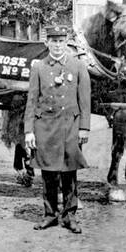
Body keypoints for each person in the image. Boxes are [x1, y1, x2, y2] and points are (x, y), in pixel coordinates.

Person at [24, 25, 90, 234]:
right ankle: (50, 214)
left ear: (66, 42)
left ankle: (70, 216)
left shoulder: (78, 65)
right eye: (53, 41)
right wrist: (29, 131)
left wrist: (84, 128)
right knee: (49, 174)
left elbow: (85, 100)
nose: (58, 45)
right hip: (46, 128)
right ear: (47, 43)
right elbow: (31, 101)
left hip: (70, 127)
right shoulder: (39, 67)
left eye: (61, 41)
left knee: (69, 173)